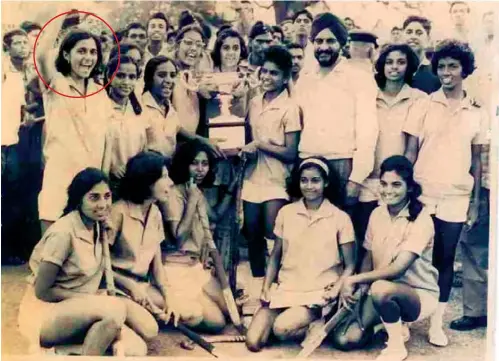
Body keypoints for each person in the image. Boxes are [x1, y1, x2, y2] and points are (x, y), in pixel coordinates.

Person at [404, 39, 488, 347]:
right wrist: (407, 193)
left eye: (453, 66)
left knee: (444, 258)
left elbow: (477, 160)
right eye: (441, 66)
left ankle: (435, 324)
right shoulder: (422, 104)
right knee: (412, 257)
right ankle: (403, 319)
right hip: (423, 193)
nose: (446, 72)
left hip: (456, 197)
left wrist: (476, 203)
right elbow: (410, 151)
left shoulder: (477, 112)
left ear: (465, 70)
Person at [18, 168, 149, 356]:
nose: (103, 204)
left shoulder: (97, 225)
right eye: (94, 198)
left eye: (107, 196)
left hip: (82, 308)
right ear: (79, 199)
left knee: (137, 349)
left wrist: (130, 286)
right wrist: (91, 300)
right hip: (46, 313)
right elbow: (42, 291)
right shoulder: (63, 233)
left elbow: (101, 270)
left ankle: (71, 351)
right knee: (113, 311)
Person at [330, 155, 440, 361]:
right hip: (379, 289)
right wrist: (361, 290)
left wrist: (353, 279)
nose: (388, 190)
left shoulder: (422, 219)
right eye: (384, 184)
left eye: (396, 184)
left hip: (418, 295)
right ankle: (387, 324)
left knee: (381, 288)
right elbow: (368, 256)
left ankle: (397, 347)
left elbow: (398, 269)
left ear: (409, 187)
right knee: (344, 339)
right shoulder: (377, 214)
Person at [245, 157, 355, 351]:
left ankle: (320, 318)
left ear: (326, 183)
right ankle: (296, 321)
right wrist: (266, 287)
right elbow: (276, 256)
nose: (309, 186)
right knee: (253, 342)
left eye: (315, 180)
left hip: (318, 293)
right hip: (287, 288)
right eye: (304, 180)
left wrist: (337, 288)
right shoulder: (286, 213)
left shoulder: (340, 218)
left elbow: (350, 265)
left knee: (280, 329)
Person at [36, 11, 112, 235]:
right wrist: (62, 10)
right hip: (59, 179)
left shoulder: (100, 92)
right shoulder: (56, 84)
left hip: (91, 184)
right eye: (81, 51)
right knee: (52, 249)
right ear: (67, 55)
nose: (88, 57)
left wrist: (102, 179)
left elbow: (106, 139)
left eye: (92, 52)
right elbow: (41, 53)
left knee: (87, 252)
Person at [295, 12, 378, 212]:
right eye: (319, 41)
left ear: (341, 43)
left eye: (330, 41)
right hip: (308, 161)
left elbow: (368, 131)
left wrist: (356, 179)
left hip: (342, 164)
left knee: (342, 234)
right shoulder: (305, 79)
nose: (324, 47)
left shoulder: (359, 77)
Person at [356, 44, 427, 267]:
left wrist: (400, 179)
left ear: (409, 67)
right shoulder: (368, 96)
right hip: (367, 179)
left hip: (395, 182)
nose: (394, 67)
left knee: (390, 244)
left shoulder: (418, 98)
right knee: (365, 242)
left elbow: (411, 147)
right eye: (389, 62)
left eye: (401, 62)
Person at [240, 46, 302, 290]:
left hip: (277, 180)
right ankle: (257, 287)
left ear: (285, 77)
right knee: (252, 232)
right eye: (264, 71)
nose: (267, 77)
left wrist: (259, 145)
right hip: (252, 177)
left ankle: (277, 286)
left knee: (272, 233)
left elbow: (290, 152)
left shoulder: (290, 107)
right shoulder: (254, 102)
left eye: (274, 73)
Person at [163, 141, 234, 333]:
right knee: (217, 323)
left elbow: (216, 215)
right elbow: (178, 238)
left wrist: (230, 190)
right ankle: (175, 308)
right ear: (184, 164)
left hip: (195, 267)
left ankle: (189, 304)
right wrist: (192, 200)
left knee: (230, 311)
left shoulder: (197, 192)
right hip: (175, 267)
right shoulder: (173, 193)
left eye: (205, 163)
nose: (200, 169)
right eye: (195, 163)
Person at [109, 152, 180, 335]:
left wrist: (169, 296)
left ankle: (138, 316)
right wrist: (129, 286)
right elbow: (98, 264)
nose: (170, 182)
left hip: (143, 287)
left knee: (192, 314)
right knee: (150, 330)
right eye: (164, 177)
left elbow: (157, 266)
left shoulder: (155, 212)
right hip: (116, 289)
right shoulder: (118, 212)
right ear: (147, 182)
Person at [141, 56, 220, 162]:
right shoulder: (140, 107)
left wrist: (205, 141)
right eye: (162, 75)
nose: (169, 80)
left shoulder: (168, 106)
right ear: (149, 78)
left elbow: (179, 130)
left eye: (172, 75)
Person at [101, 55, 149, 198]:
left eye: (132, 77)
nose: (126, 82)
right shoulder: (101, 107)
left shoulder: (138, 109)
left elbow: (143, 146)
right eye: (120, 76)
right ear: (109, 76)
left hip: (135, 179)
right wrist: (111, 167)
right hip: (111, 182)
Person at [2, 28, 31, 264]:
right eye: (17, 43)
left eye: (25, 42)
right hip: (6, 141)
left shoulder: (31, 71)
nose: (23, 46)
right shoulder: (4, 72)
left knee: (18, 193)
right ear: (7, 47)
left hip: (24, 139)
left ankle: (16, 247)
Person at [402, 16, 441, 94]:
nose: (413, 36)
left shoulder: (437, 73)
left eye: (419, 33)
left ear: (428, 39)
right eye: (409, 32)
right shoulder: (392, 69)